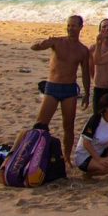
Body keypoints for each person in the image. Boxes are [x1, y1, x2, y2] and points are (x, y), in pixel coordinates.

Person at [31, 15, 91, 166]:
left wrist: (87, 93)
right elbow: (35, 47)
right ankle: (33, 153)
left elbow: (85, 73)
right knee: (40, 124)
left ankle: (66, 157)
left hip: (69, 90)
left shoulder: (83, 50)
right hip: (52, 87)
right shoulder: (57, 42)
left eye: (74, 26)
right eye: (69, 25)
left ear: (80, 27)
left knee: (68, 126)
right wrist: (41, 43)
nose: (71, 28)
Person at [73, 93, 108, 180]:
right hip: (85, 155)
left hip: (102, 151)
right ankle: (88, 175)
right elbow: (86, 143)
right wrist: (98, 159)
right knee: (107, 167)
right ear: (107, 108)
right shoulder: (96, 119)